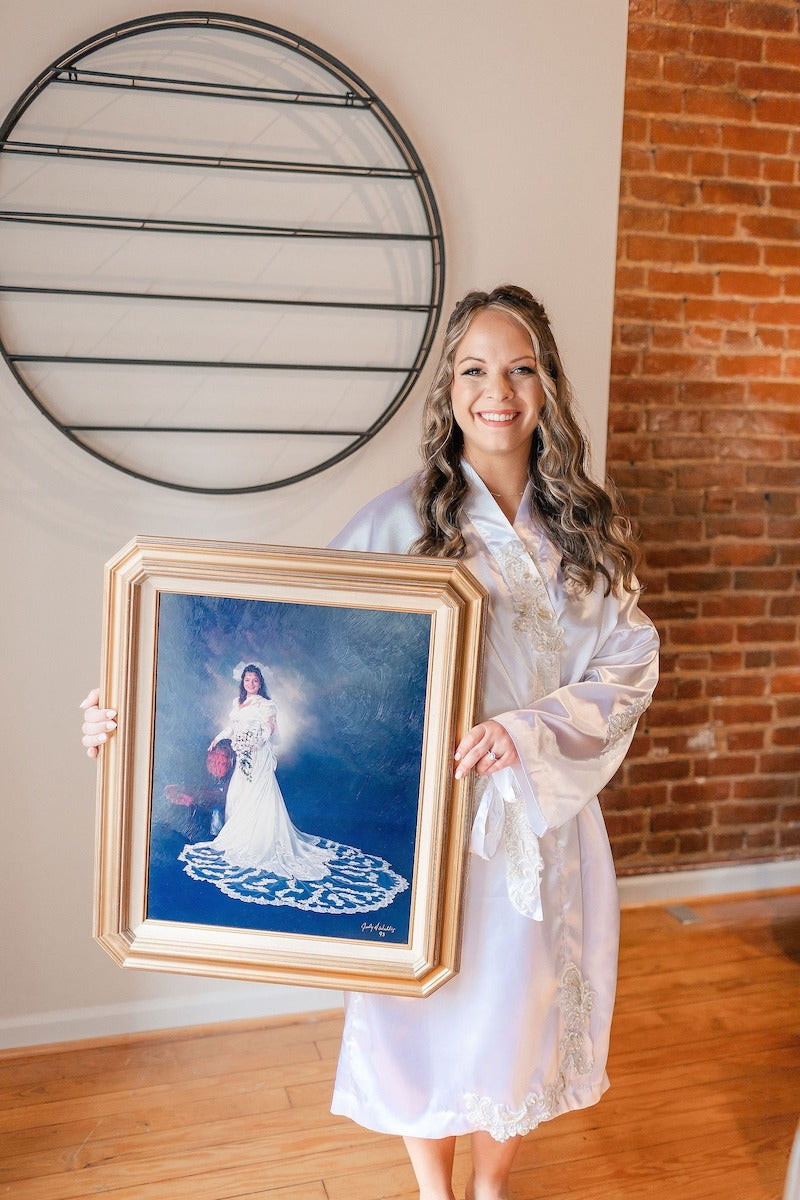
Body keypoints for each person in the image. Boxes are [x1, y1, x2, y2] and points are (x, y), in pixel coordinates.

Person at [82, 284, 659, 1200]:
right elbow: (294, 646)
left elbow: (630, 658)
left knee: (522, 1011)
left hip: (540, 814)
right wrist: (141, 705)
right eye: (474, 369)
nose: (496, 390)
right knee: (423, 1010)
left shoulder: (587, 531)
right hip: (428, 823)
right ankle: (435, 1187)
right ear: (451, 390)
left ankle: (492, 1184)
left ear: (547, 385)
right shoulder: (400, 523)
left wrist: (528, 730)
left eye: (519, 368)